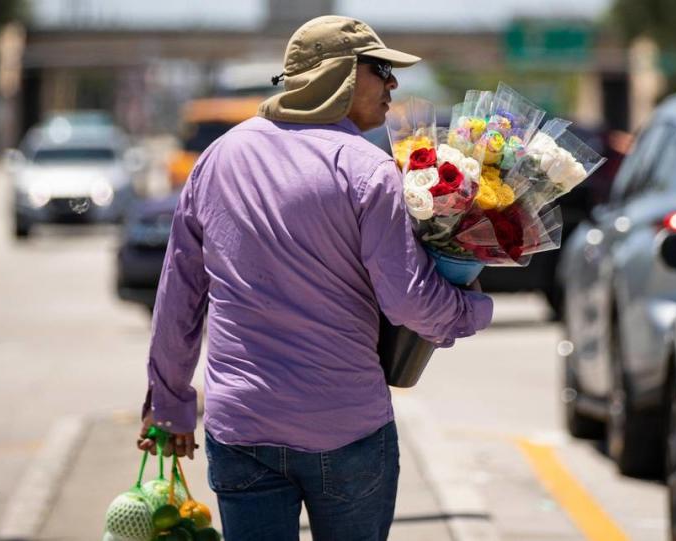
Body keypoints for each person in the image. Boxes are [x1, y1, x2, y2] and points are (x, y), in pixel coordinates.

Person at [136, 15, 493, 541]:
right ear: (341, 75)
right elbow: (409, 303)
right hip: (345, 427)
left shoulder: (217, 159)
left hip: (242, 427)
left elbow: (179, 298)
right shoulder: (366, 170)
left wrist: (168, 405)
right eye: (381, 70)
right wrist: (474, 309)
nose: (393, 85)